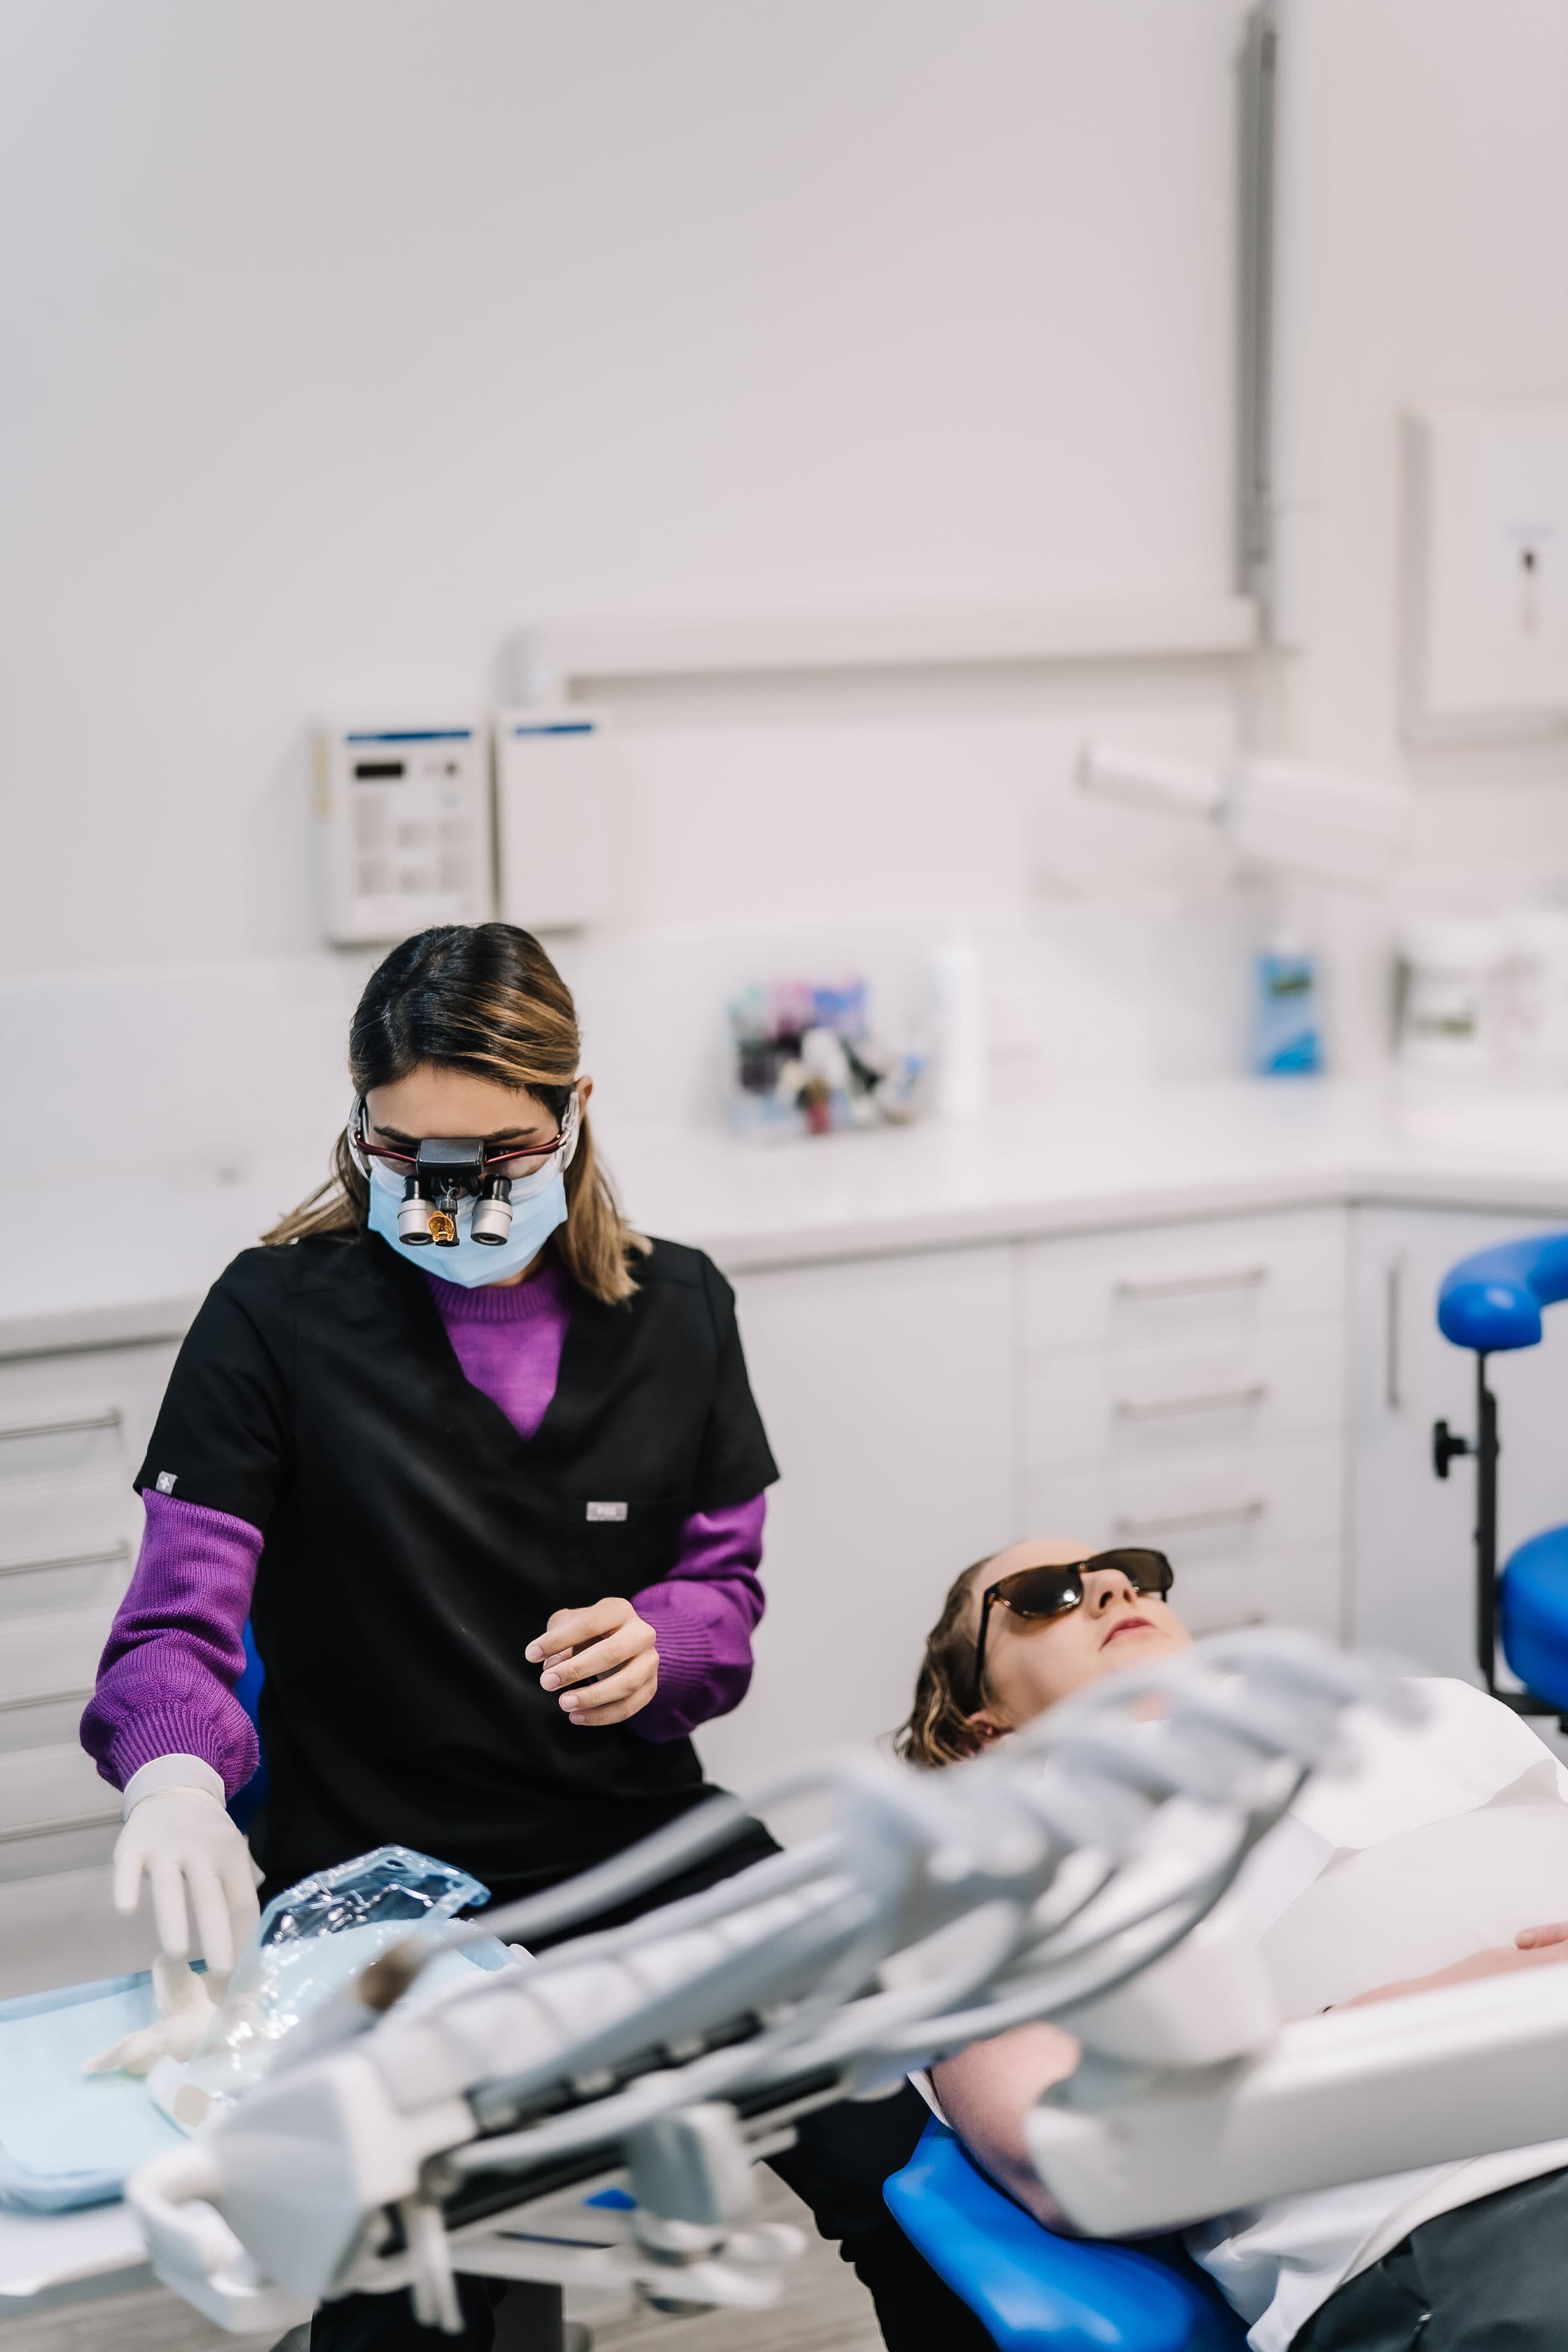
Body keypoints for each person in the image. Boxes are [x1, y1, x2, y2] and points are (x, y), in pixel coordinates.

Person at [81, 923, 987, 2352]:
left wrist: (663, 1645)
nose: (445, 1197)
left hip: (635, 1844)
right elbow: (168, 1635)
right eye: (403, 1155)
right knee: (424, 2277)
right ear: (360, 1126)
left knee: (913, 2179)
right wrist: (178, 1775)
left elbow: (724, 1601)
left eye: (493, 1158)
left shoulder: (678, 1308)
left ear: (573, 1115)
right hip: (382, 1889)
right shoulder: (275, 1319)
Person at [895, 1537, 1568, 2352]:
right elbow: (1065, 2155)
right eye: (1043, 1595)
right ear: (984, 1726)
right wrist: (1433, 2013)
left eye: (1131, 1573)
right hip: (1475, 2204)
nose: (1111, 1588)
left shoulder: (1416, 1707)